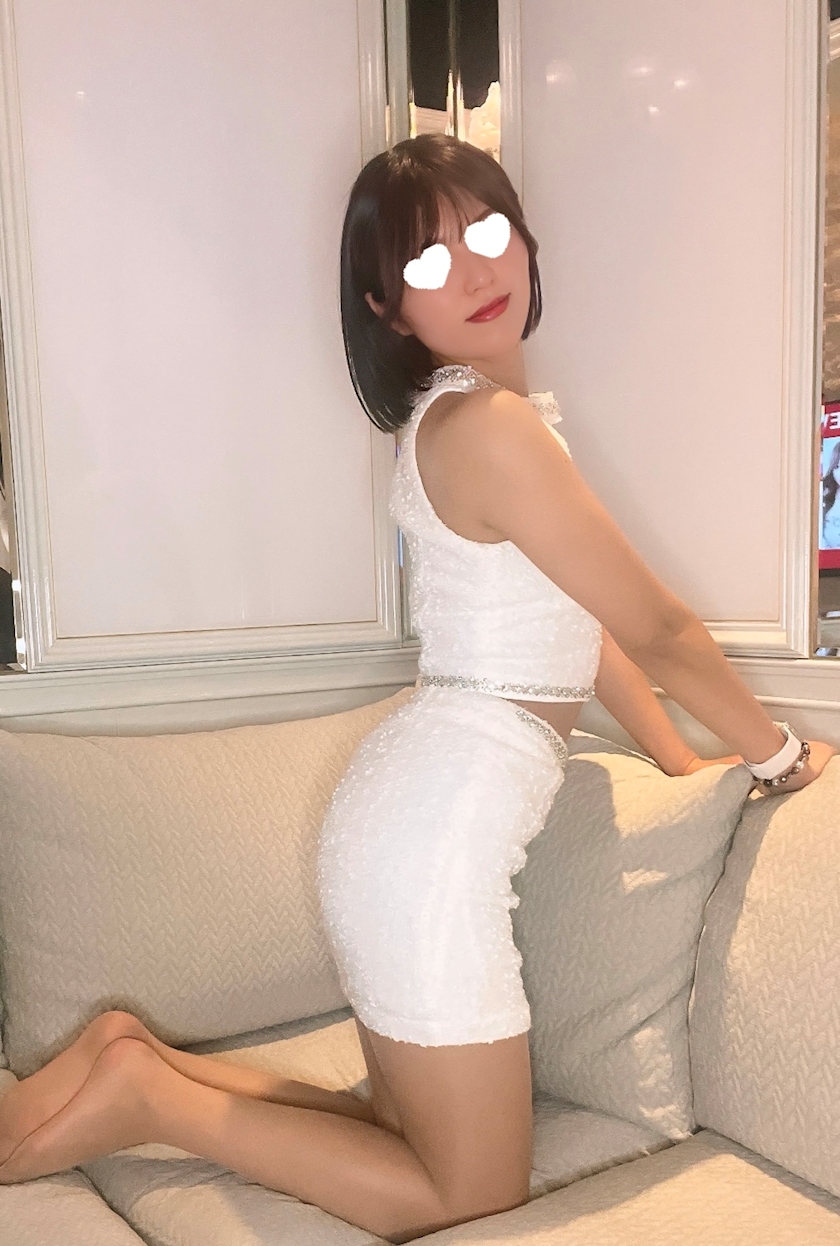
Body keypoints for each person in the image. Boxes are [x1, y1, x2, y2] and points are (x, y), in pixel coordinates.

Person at [0, 134, 835, 1245]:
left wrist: (681, 760)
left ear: (523, 237)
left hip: (410, 816)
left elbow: (580, 628)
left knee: (399, 1132)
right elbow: (660, 629)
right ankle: (151, 1099)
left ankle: (135, 1058)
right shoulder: (487, 425)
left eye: (487, 231)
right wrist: (782, 755)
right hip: (431, 840)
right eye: (429, 260)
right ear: (386, 307)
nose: (477, 269)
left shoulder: (468, 419)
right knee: (469, 1190)